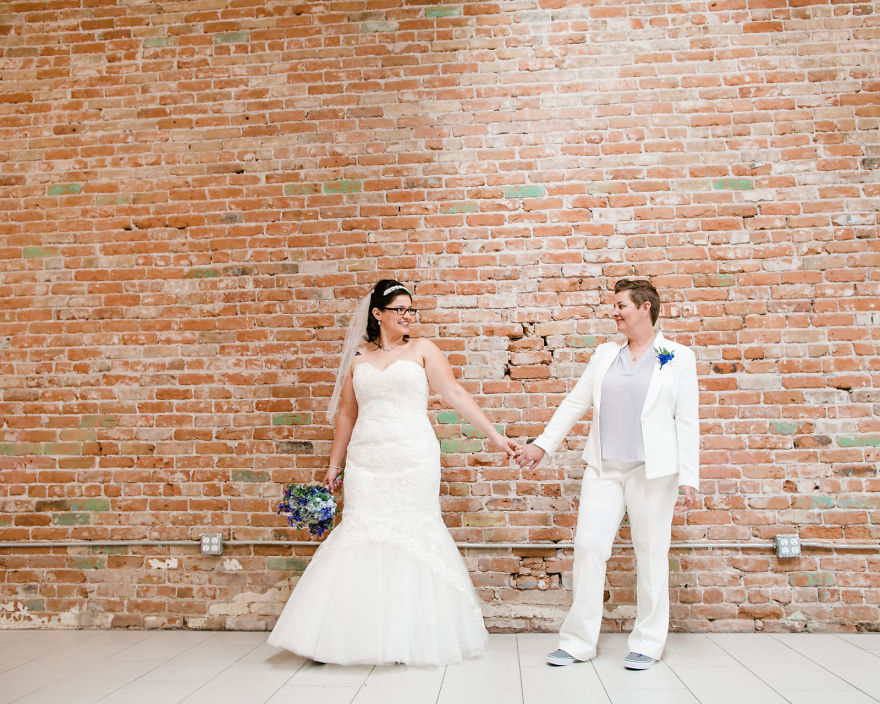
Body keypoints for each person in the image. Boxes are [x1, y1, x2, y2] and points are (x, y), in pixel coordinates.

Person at [269, 279, 517, 666]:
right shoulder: (359, 358)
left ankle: (410, 637)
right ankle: (349, 637)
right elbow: (347, 414)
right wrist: (334, 465)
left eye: (410, 309)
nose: (407, 316)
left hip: (413, 456)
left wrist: (496, 437)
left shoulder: (423, 349)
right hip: (366, 460)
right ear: (377, 314)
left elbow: (454, 393)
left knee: (412, 533)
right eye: (399, 309)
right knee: (361, 532)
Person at [515, 278, 699, 671]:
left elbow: (687, 420)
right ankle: (578, 642)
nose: (614, 312)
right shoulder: (604, 354)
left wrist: (689, 477)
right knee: (588, 547)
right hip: (604, 468)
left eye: (620, 305)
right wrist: (542, 445)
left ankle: (648, 642)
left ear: (645, 308)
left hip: (654, 472)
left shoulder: (679, 357)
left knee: (651, 554)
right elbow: (575, 402)